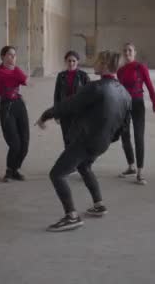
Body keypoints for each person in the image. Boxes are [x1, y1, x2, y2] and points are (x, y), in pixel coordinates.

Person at [36, 50, 131, 232]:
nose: (93, 63)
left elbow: (68, 105)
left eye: (96, 60)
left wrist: (46, 115)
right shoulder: (125, 93)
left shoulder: (96, 87)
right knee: (84, 167)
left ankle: (71, 216)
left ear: (104, 64)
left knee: (57, 174)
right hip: (102, 142)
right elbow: (124, 125)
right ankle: (99, 204)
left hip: (87, 140)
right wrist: (108, 138)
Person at [116, 43, 155, 185]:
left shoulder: (140, 67)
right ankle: (131, 166)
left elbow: (149, 85)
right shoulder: (120, 70)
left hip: (137, 104)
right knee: (124, 135)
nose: (127, 52)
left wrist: (154, 101)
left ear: (135, 52)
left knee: (138, 136)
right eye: (125, 50)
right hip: (124, 105)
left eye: (130, 50)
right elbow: (119, 89)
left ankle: (140, 171)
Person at [0, 46, 30, 182]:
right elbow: (8, 78)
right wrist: (17, 76)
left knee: (25, 142)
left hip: (19, 104)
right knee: (14, 143)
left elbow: (25, 80)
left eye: (14, 55)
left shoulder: (16, 70)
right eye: (9, 55)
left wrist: (17, 75)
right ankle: (9, 170)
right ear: (2, 56)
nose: (12, 57)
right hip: (6, 106)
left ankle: (15, 169)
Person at [53, 51, 90, 147]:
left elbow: (90, 95)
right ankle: (68, 159)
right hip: (65, 112)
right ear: (65, 61)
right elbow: (57, 95)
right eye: (69, 61)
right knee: (67, 138)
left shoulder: (83, 76)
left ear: (78, 61)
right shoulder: (61, 76)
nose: (71, 63)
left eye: (74, 61)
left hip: (79, 113)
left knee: (78, 139)